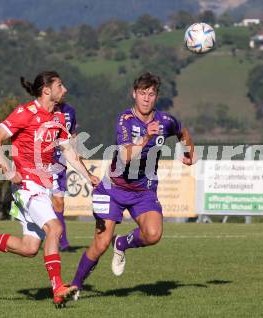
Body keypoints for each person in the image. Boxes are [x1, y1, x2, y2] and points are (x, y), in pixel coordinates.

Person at [0, 71, 99, 308]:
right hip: (27, 185)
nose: (65, 89)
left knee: (29, 248)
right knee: (55, 228)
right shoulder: (25, 113)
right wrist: (8, 169)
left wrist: (87, 175)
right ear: (46, 90)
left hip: (42, 186)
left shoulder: (59, 116)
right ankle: (58, 287)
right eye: (60, 85)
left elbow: (69, 151)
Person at [70, 72, 195, 298]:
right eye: (142, 93)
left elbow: (183, 132)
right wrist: (146, 138)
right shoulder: (125, 120)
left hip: (144, 191)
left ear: (156, 97)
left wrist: (188, 153)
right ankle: (76, 285)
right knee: (100, 243)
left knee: (153, 234)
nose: (146, 98)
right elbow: (126, 156)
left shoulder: (165, 121)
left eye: (151, 94)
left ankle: (123, 243)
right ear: (134, 94)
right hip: (114, 189)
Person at [51, 102, 77, 251]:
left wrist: (76, 152)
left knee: (59, 202)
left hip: (60, 161)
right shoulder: (44, 108)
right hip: (43, 160)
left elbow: (72, 134)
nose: (63, 90)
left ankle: (63, 243)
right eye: (59, 86)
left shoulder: (70, 110)